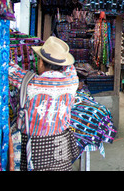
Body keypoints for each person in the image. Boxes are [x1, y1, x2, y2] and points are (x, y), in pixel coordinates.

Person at [8, 36, 80, 171]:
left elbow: (7, 67)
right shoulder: (72, 80)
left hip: (33, 144)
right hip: (60, 142)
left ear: (41, 63)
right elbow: (70, 66)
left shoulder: (28, 82)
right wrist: (59, 55)